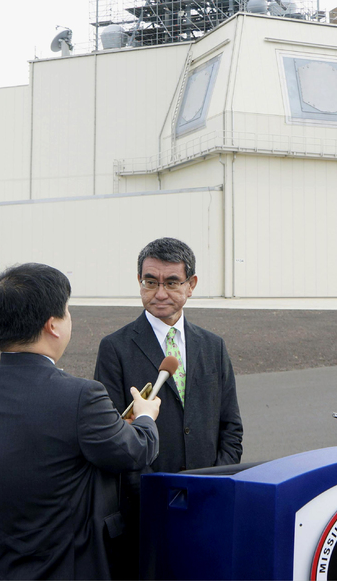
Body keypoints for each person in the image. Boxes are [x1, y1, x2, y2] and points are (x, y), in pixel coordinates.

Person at [0, 263, 161, 580]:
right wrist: (145, 417)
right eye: (67, 311)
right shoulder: (81, 396)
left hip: (0, 567)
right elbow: (134, 451)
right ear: (53, 325)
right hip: (66, 567)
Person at [94, 237, 243, 577]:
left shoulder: (213, 346)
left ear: (191, 285)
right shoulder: (115, 348)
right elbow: (111, 437)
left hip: (209, 504)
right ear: (139, 282)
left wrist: (215, 483)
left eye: (172, 282)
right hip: (146, 512)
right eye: (151, 282)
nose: (160, 293)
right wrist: (152, 494)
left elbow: (231, 427)